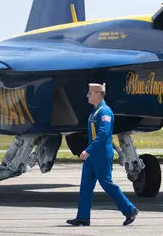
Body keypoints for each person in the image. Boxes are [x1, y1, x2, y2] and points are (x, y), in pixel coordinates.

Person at [66, 83, 139, 226]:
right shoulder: (96, 111)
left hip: (101, 154)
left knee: (107, 183)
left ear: (98, 95)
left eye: (90, 93)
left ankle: (130, 210)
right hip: (93, 154)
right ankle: (83, 217)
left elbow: (103, 134)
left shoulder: (104, 112)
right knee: (86, 185)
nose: (88, 96)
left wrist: (88, 150)